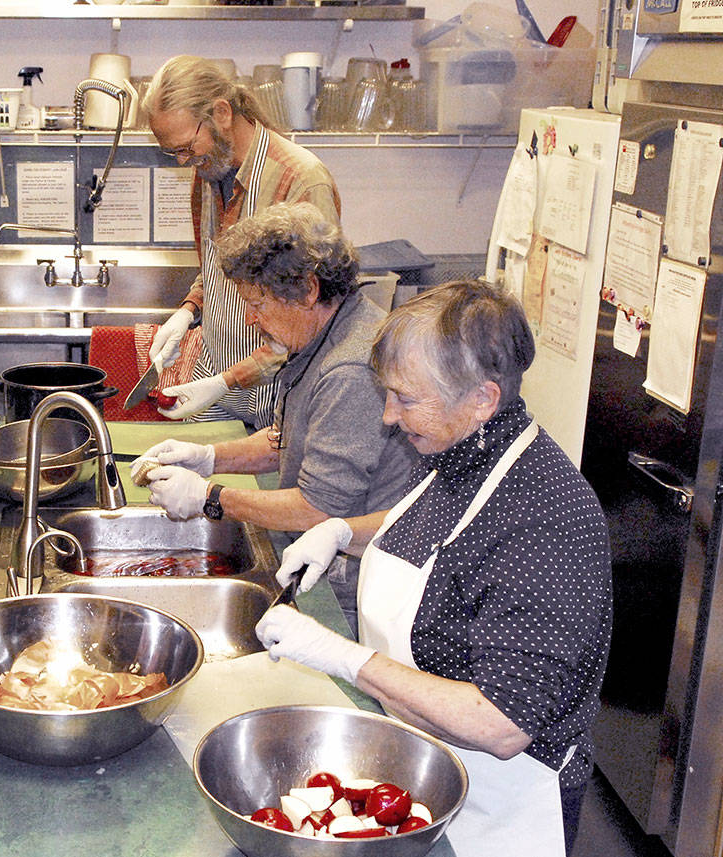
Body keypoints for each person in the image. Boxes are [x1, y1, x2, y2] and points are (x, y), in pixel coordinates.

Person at [254, 281, 612, 856]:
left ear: (482, 398)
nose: (390, 417)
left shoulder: (545, 521)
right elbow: (439, 536)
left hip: (501, 806)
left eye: (406, 398)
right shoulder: (466, 451)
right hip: (431, 769)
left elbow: (500, 723)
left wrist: (340, 656)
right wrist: (344, 532)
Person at [134, 203, 413, 636]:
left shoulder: (351, 369)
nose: (250, 318)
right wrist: (207, 457)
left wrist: (211, 497)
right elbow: (287, 440)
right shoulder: (322, 336)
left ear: (307, 290)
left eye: (257, 302)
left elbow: (318, 508)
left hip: (351, 593)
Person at [141, 54, 342, 426]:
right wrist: (188, 311)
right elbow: (216, 270)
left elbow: (318, 319)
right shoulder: (209, 170)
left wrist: (229, 380)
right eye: (174, 152)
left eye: (186, 147)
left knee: (253, 484)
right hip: (216, 378)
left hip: (279, 396)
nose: (184, 161)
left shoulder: (299, 180)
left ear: (221, 112)